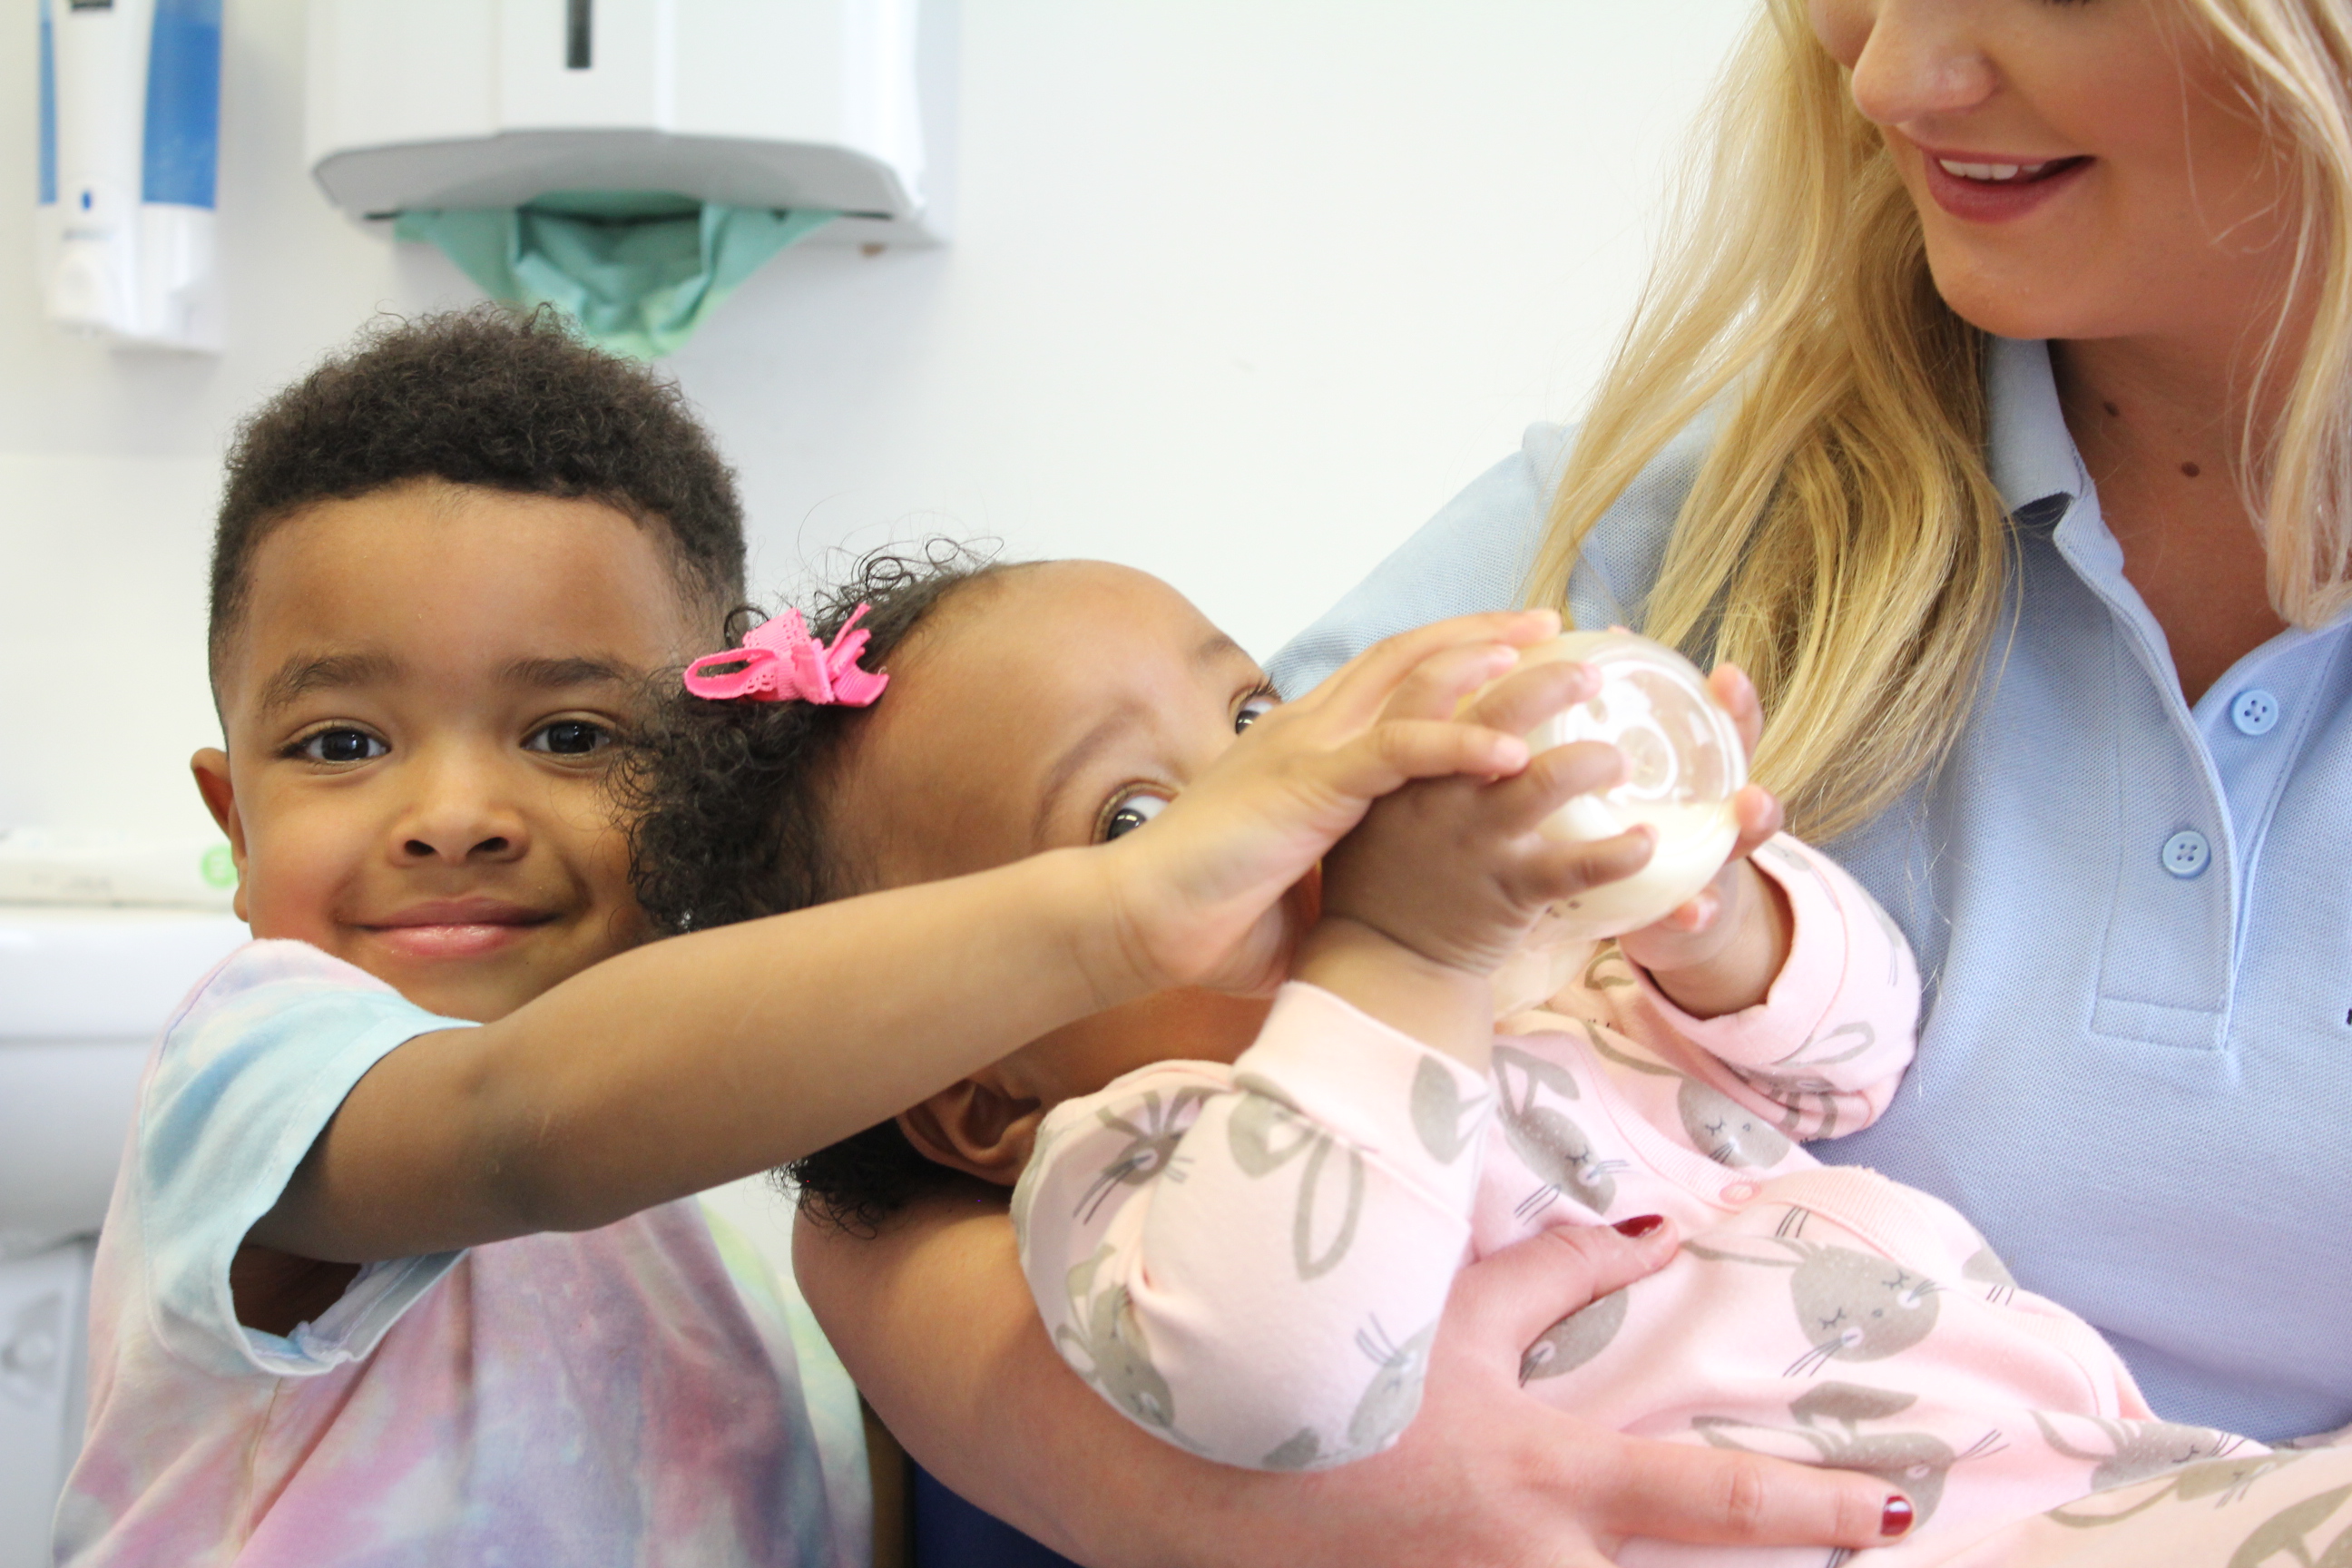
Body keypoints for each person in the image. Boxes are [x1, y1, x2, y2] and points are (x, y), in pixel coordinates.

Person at [793, 0, 2352, 1561]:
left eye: (1264, 707)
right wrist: (1216, 1500)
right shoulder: (1184, 1119)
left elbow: (1851, 1057)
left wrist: (1723, 912)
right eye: (1134, 813)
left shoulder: (1563, 1018)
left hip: (2119, 1492)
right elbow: (860, 1154)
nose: (1884, 75)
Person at [54, 311, 1553, 1567]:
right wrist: (1131, 898)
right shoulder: (250, 1067)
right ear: (234, 822)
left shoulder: (775, 1218)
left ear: (702, 797)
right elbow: (517, 1127)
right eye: (339, 744)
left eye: (569, 732)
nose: (454, 813)